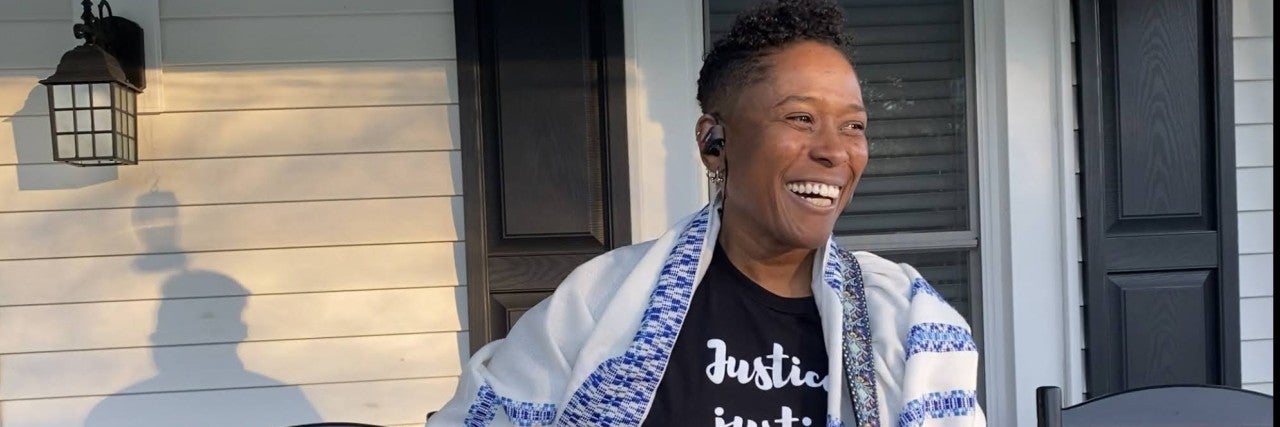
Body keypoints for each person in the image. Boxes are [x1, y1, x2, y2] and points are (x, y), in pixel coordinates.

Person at [429, 1, 984, 425]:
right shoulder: (602, 304)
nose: (835, 151)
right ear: (714, 141)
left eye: (854, 125)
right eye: (800, 118)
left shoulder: (903, 319)